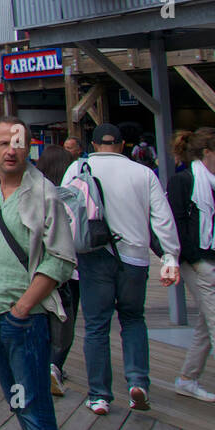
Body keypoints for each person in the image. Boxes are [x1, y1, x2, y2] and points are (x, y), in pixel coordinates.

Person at [0, 117, 75, 430]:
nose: (11, 151)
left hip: (25, 319)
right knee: (17, 401)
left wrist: (22, 309)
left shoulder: (44, 194)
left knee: (34, 405)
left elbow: (60, 259)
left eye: (18, 143)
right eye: (3, 143)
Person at [61, 122, 181, 414]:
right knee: (133, 319)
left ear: (92, 145)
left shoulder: (78, 169)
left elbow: (63, 212)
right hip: (135, 258)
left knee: (97, 326)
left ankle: (99, 395)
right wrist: (170, 256)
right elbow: (162, 218)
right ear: (123, 145)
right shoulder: (143, 173)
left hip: (93, 256)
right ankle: (138, 382)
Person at [166, 127, 215, 403]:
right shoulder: (183, 181)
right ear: (207, 152)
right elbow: (176, 225)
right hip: (196, 261)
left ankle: (187, 379)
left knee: (207, 324)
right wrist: (195, 260)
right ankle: (187, 380)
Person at [35, 145, 79, 397]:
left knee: (44, 314)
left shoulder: (35, 194)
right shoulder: (71, 195)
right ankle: (55, 364)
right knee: (65, 317)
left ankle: (45, 363)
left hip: (40, 269)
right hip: (70, 269)